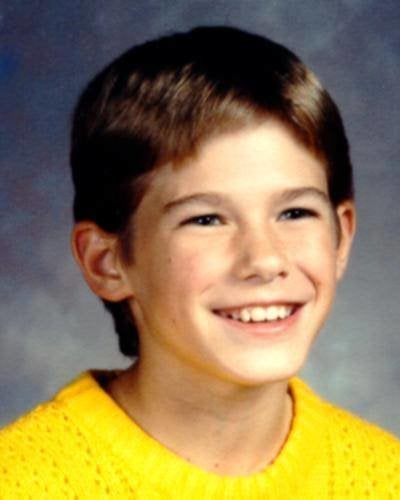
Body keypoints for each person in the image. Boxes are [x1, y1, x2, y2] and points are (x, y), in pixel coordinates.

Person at [1, 26, 399, 498]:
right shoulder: (25, 481)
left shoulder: (383, 475)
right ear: (107, 263)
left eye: (295, 212)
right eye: (206, 219)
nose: (264, 259)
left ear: (341, 237)